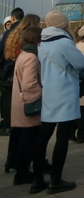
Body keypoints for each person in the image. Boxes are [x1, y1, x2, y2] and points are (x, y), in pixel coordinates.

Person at [32, 10, 84, 194]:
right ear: (63, 25)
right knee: (62, 138)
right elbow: (82, 64)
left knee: (43, 137)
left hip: (48, 93)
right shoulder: (64, 42)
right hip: (64, 93)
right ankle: (56, 180)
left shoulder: (41, 43)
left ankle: (37, 180)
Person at [9, 27, 42, 186]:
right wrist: (43, 94)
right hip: (29, 105)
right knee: (28, 139)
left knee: (24, 138)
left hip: (19, 103)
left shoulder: (22, 54)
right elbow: (30, 85)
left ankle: (21, 171)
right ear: (37, 39)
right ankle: (22, 173)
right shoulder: (31, 57)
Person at [0, 7, 24, 136]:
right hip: (24, 69)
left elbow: (2, 50)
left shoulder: (9, 33)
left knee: (7, 98)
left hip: (8, 70)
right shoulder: (27, 30)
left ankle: (9, 124)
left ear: (13, 18)